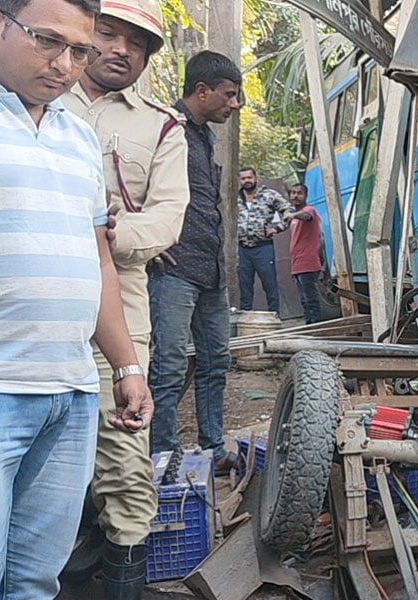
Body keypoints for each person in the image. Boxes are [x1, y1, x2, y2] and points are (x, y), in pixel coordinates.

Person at [0, 0, 153, 598]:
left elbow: (97, 257)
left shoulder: (77, 136)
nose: (65, 64)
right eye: (48, 41)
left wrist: (126, 366)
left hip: (68, 396)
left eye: (79, 50)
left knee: (34, 582)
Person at [59, 0, 190, 594]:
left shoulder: (160, 126)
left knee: (124, 455)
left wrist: (110, 230)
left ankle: (123, 574)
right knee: (35, 445)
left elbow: (168, 217)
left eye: (135, 44)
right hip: (22, 306)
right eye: (107, 35)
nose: (120, 49)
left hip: (122, 307)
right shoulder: (22, 96)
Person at [148, 50, 242, 476]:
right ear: (201, 91)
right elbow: (127, 184)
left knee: (215, 362)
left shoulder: (205, 136)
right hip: (174, 269)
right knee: (168, 365)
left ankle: (213, 447)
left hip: (210, 269)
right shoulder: (163, 127)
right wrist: (146, 240)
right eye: (229, 95)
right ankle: (164, 456)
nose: (234, 104)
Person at [236, 167, 290, 313]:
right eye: (243, 178)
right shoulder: (235, 198)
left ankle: (274, 315)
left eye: (249, 177)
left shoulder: (269, 195)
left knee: (269, 283)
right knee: (244, 285)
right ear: (239, 180)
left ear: (256, 178)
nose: (247, 181)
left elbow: (288, 210)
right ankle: (245, 319)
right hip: (242, 249)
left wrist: (277, 228)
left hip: (263, 247)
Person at [282, 184, 324, 324]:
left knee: (311, 298)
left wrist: (293, 214)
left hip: (308, 263)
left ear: (306, 196)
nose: (295, 195)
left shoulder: (308, 210)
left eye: (299, 193)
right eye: (293, 193)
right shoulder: (294, 218)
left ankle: (316, 326)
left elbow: (306, 216)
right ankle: (309, 325)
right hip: (298, 264)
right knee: (304, 301)